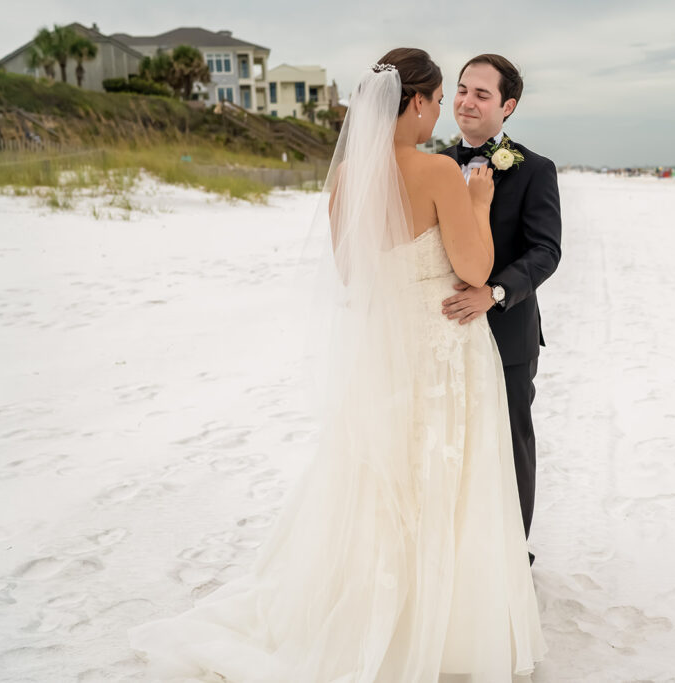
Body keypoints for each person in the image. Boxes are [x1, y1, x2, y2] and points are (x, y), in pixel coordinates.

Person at [128, 48, 546, 682]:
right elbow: (476, 271)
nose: (443, 110)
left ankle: (375, 598)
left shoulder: (349, 177)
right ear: (414, 102)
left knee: (384, 477)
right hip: (442, 349)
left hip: (386, 350)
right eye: (438, 98)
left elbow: (354, 274)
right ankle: (444, 615)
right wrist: (480, 205)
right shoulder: (438, 172)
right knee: (447, 474)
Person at [438, 55, 562, 565]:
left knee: (510, 446)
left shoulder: (534, 170)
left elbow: (545, 251)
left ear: (507, 106)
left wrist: (493, 292)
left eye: (482, 94)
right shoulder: (436, 166)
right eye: (462, 90)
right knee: (450, 445)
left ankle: (512, 559)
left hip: (506, 334)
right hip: (444, 332)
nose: (467, 101)